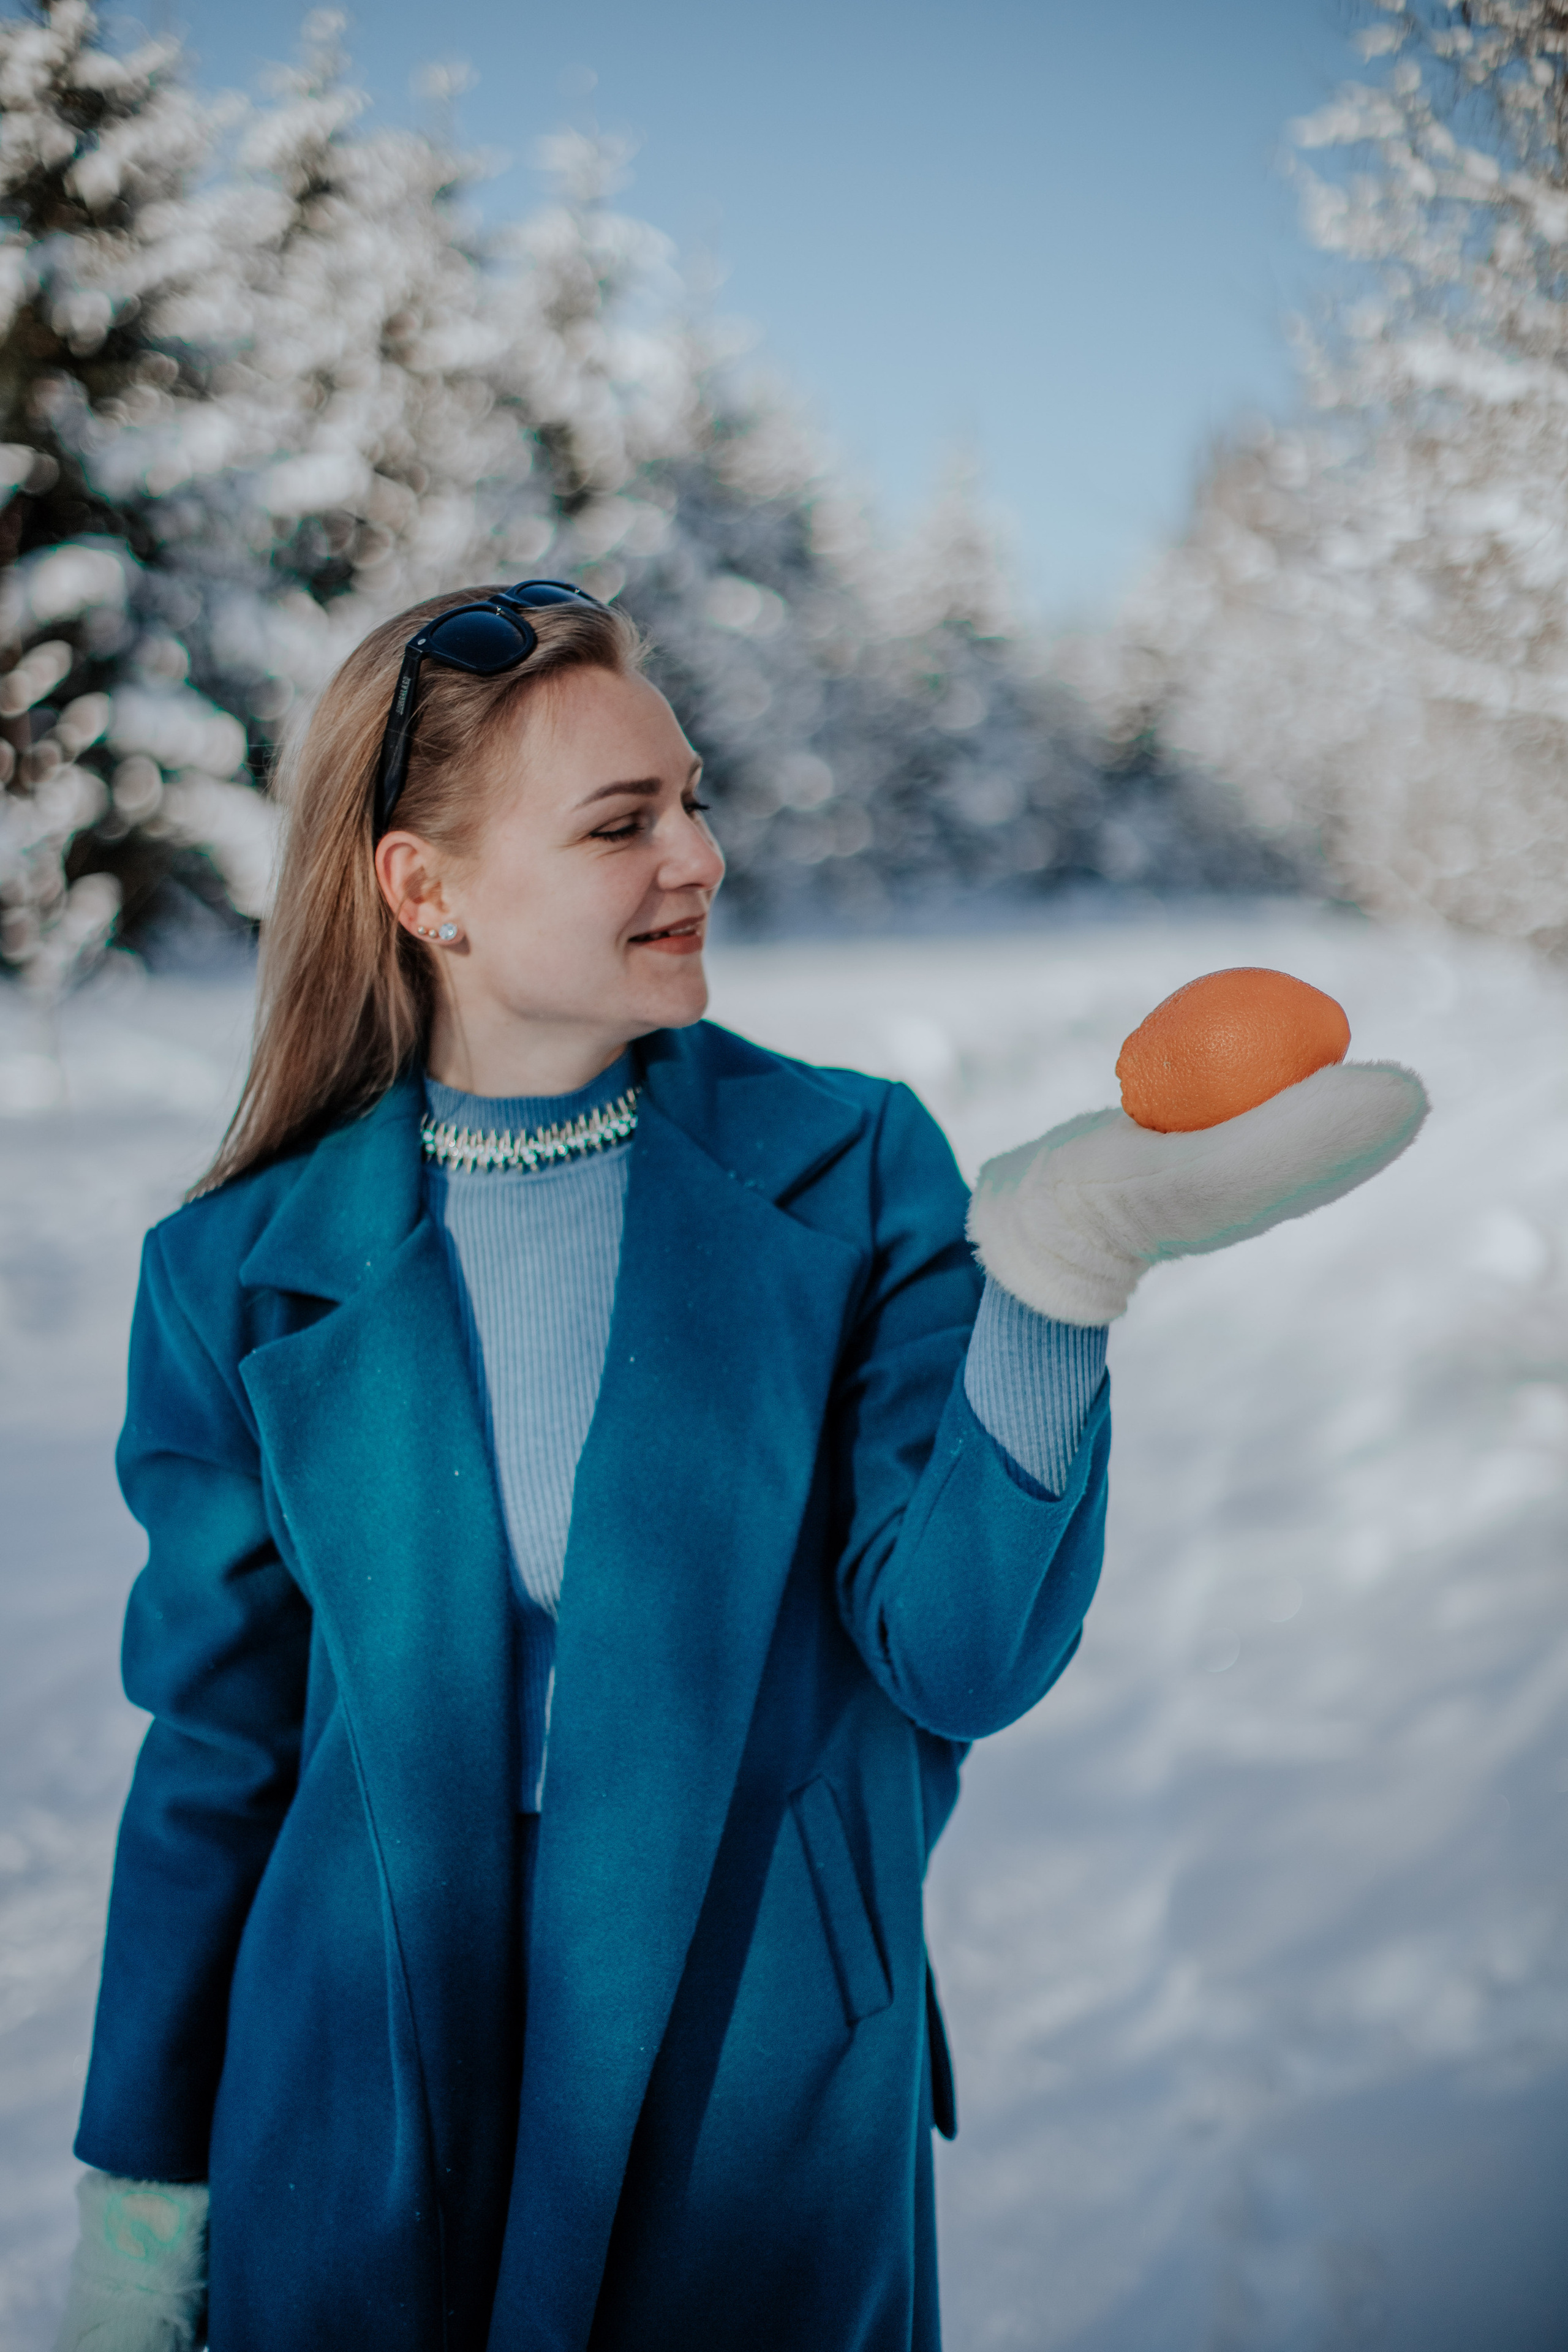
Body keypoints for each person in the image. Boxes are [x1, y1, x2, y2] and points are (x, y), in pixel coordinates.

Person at [53, 584, 1426, 2352]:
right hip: (359, 2099)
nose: (696, 856)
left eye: (694, 799)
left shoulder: (847, 1170)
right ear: (424, 891)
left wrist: (1060, 1281)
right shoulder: (233, 1272)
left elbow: (958, 1653)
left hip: (751, 2081)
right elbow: (217, 1752)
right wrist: (145, 2190)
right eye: (623, 823)